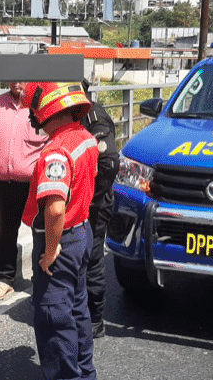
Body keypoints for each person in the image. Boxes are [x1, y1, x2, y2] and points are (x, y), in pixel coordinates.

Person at [21, 82, 98, 380]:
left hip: (61, 240)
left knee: (55, 318)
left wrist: (50, 251)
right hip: (82, 233)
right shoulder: (85, 137)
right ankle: (84, 373)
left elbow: (54, 209)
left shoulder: (56, 151)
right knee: (78, 309)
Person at [0, 82, 48, 302]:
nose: (18, 83)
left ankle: (41, 278)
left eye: (23, 78)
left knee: (40, 231)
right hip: (0, 183)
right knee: (5, 232)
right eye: (14, 78)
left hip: (33, 183)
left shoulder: (40, 105)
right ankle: (5, 279)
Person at [78, 79, 119, 339]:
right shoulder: (72, 115)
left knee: (92, 259)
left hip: (94, 203)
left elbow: (109, 163)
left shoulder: (94, 115)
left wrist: (90, 198)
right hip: (78, 202)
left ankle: (95, 318)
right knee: (77, 257)